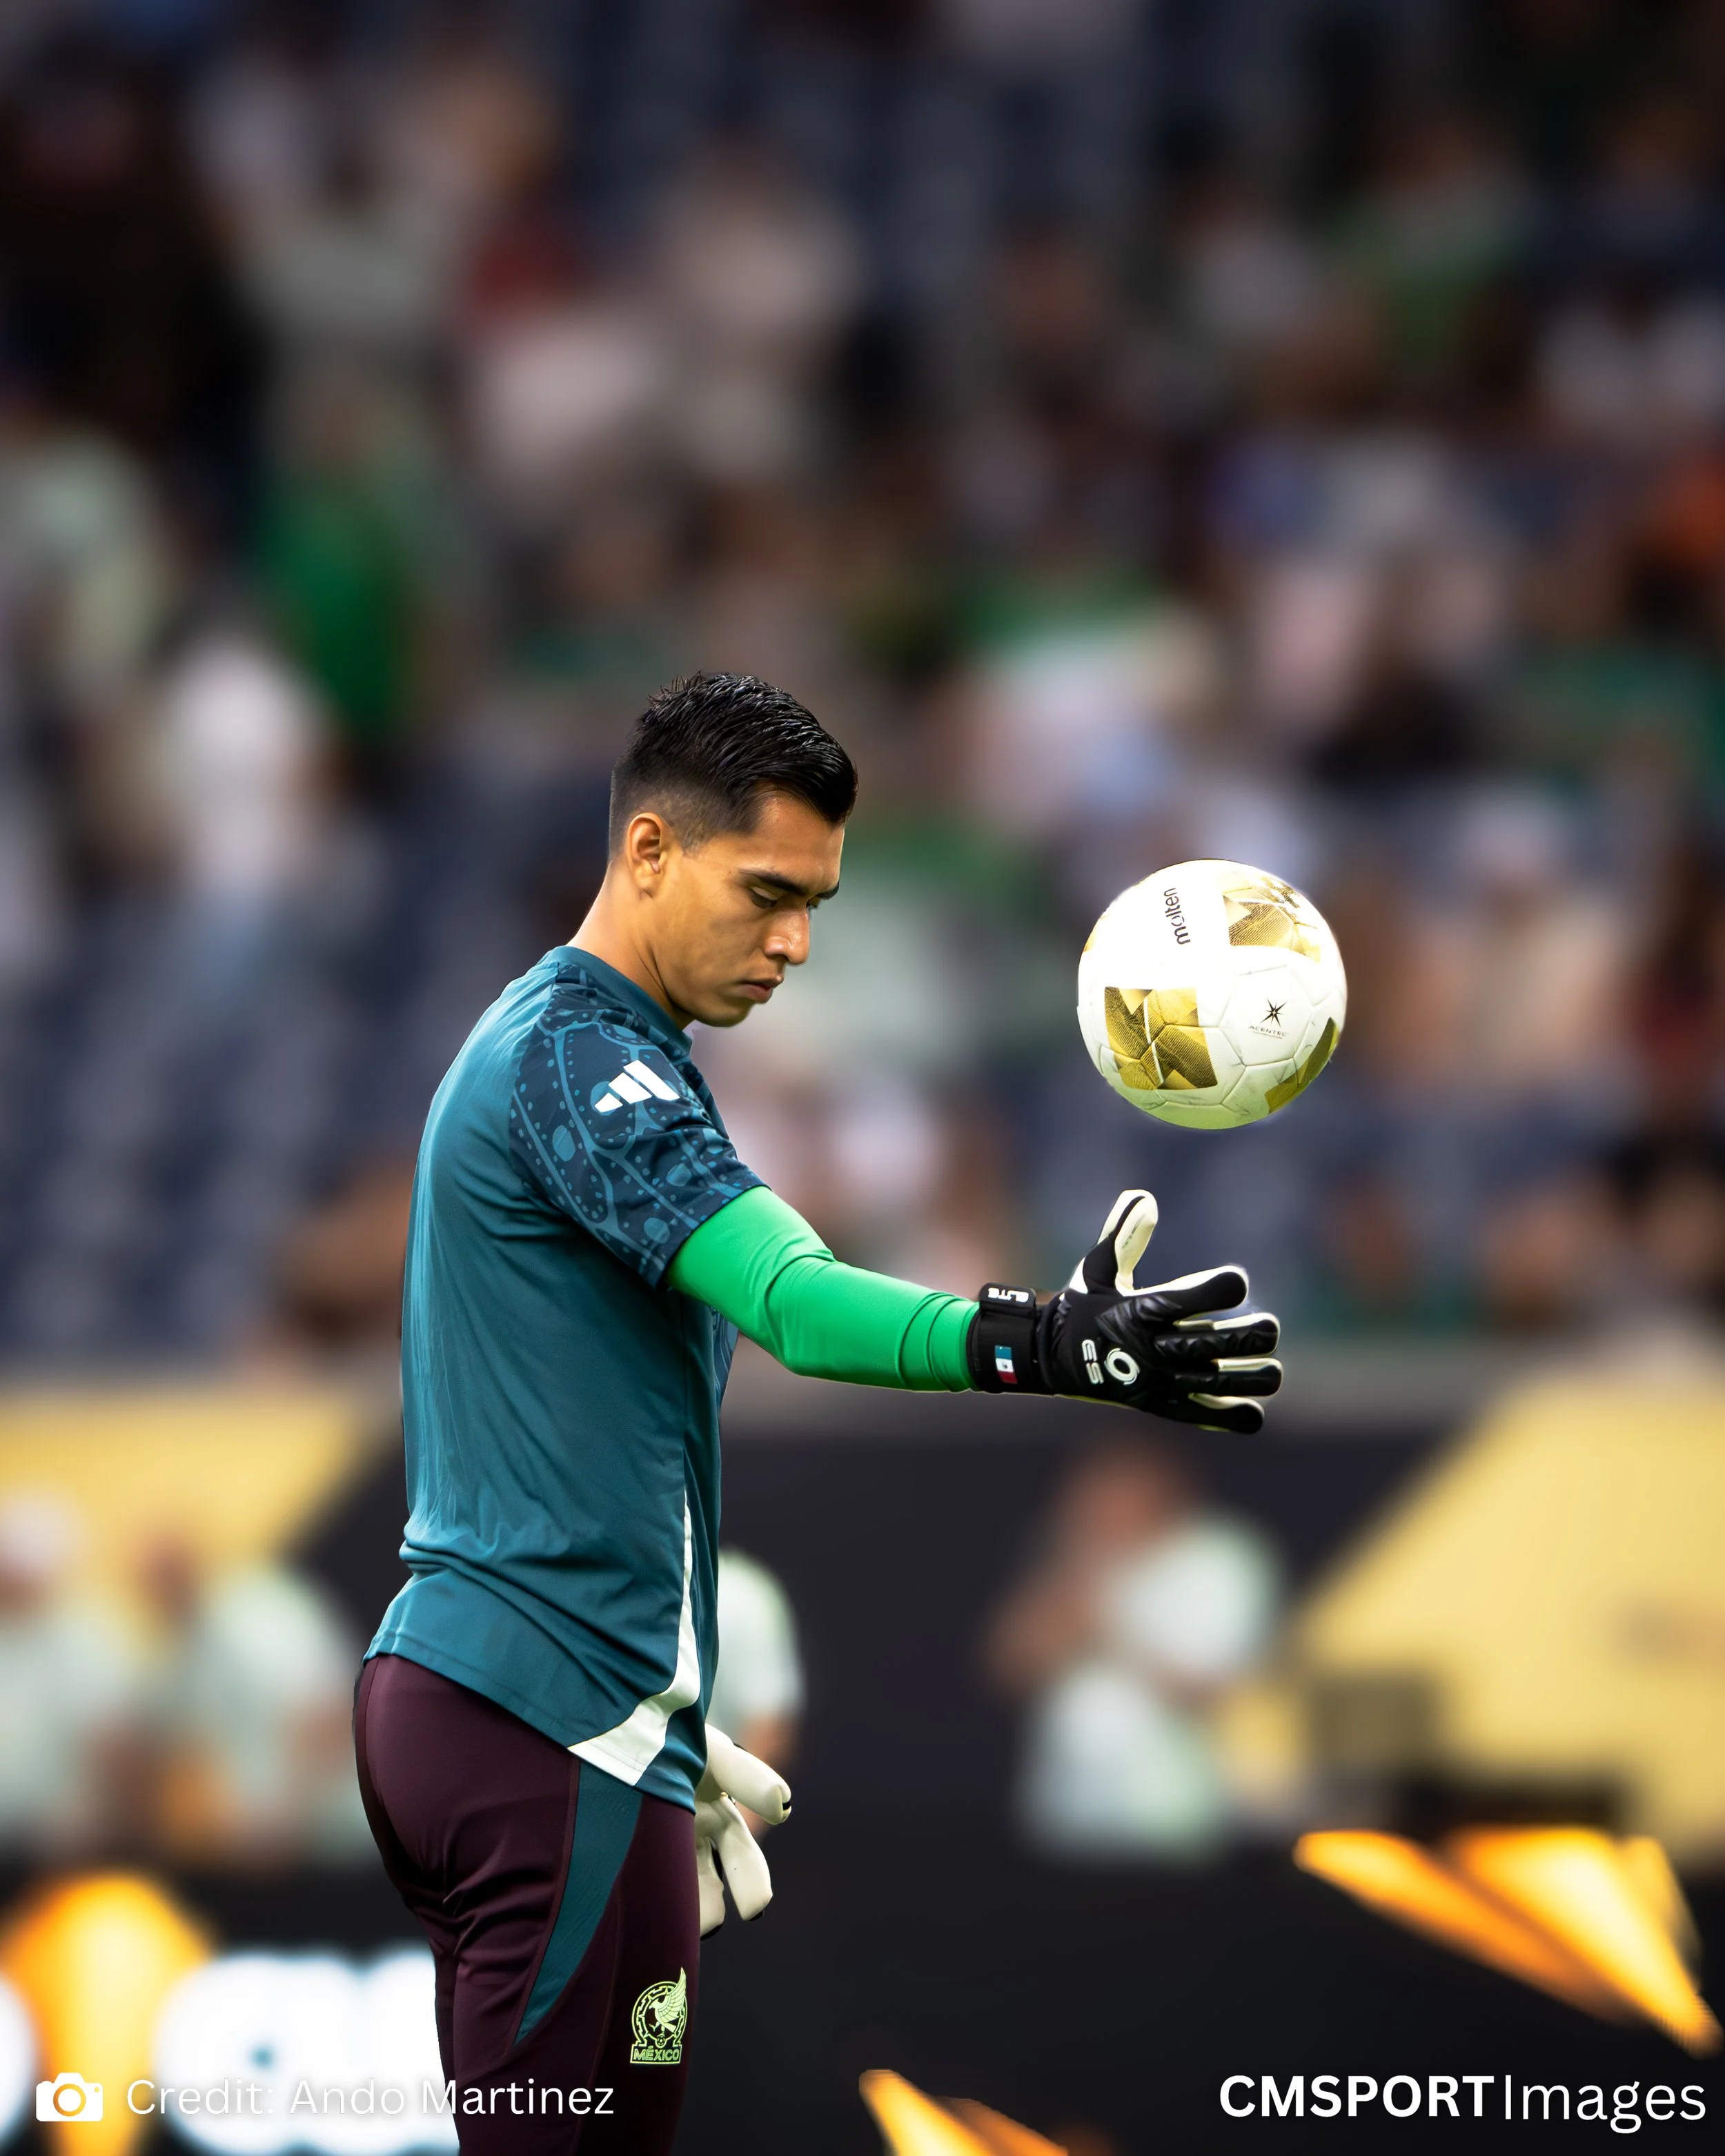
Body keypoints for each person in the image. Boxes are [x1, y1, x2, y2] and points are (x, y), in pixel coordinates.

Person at [352, 671, 1282, 2153]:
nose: (793, 941)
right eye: (766, 892)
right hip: (539, 1715)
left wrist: (659, 1710)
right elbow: (793, 1302)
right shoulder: (576, 1056)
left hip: (577, 1717)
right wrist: (1043, 1339)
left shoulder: (601, 1048)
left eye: (816, 904)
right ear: (648, 851)